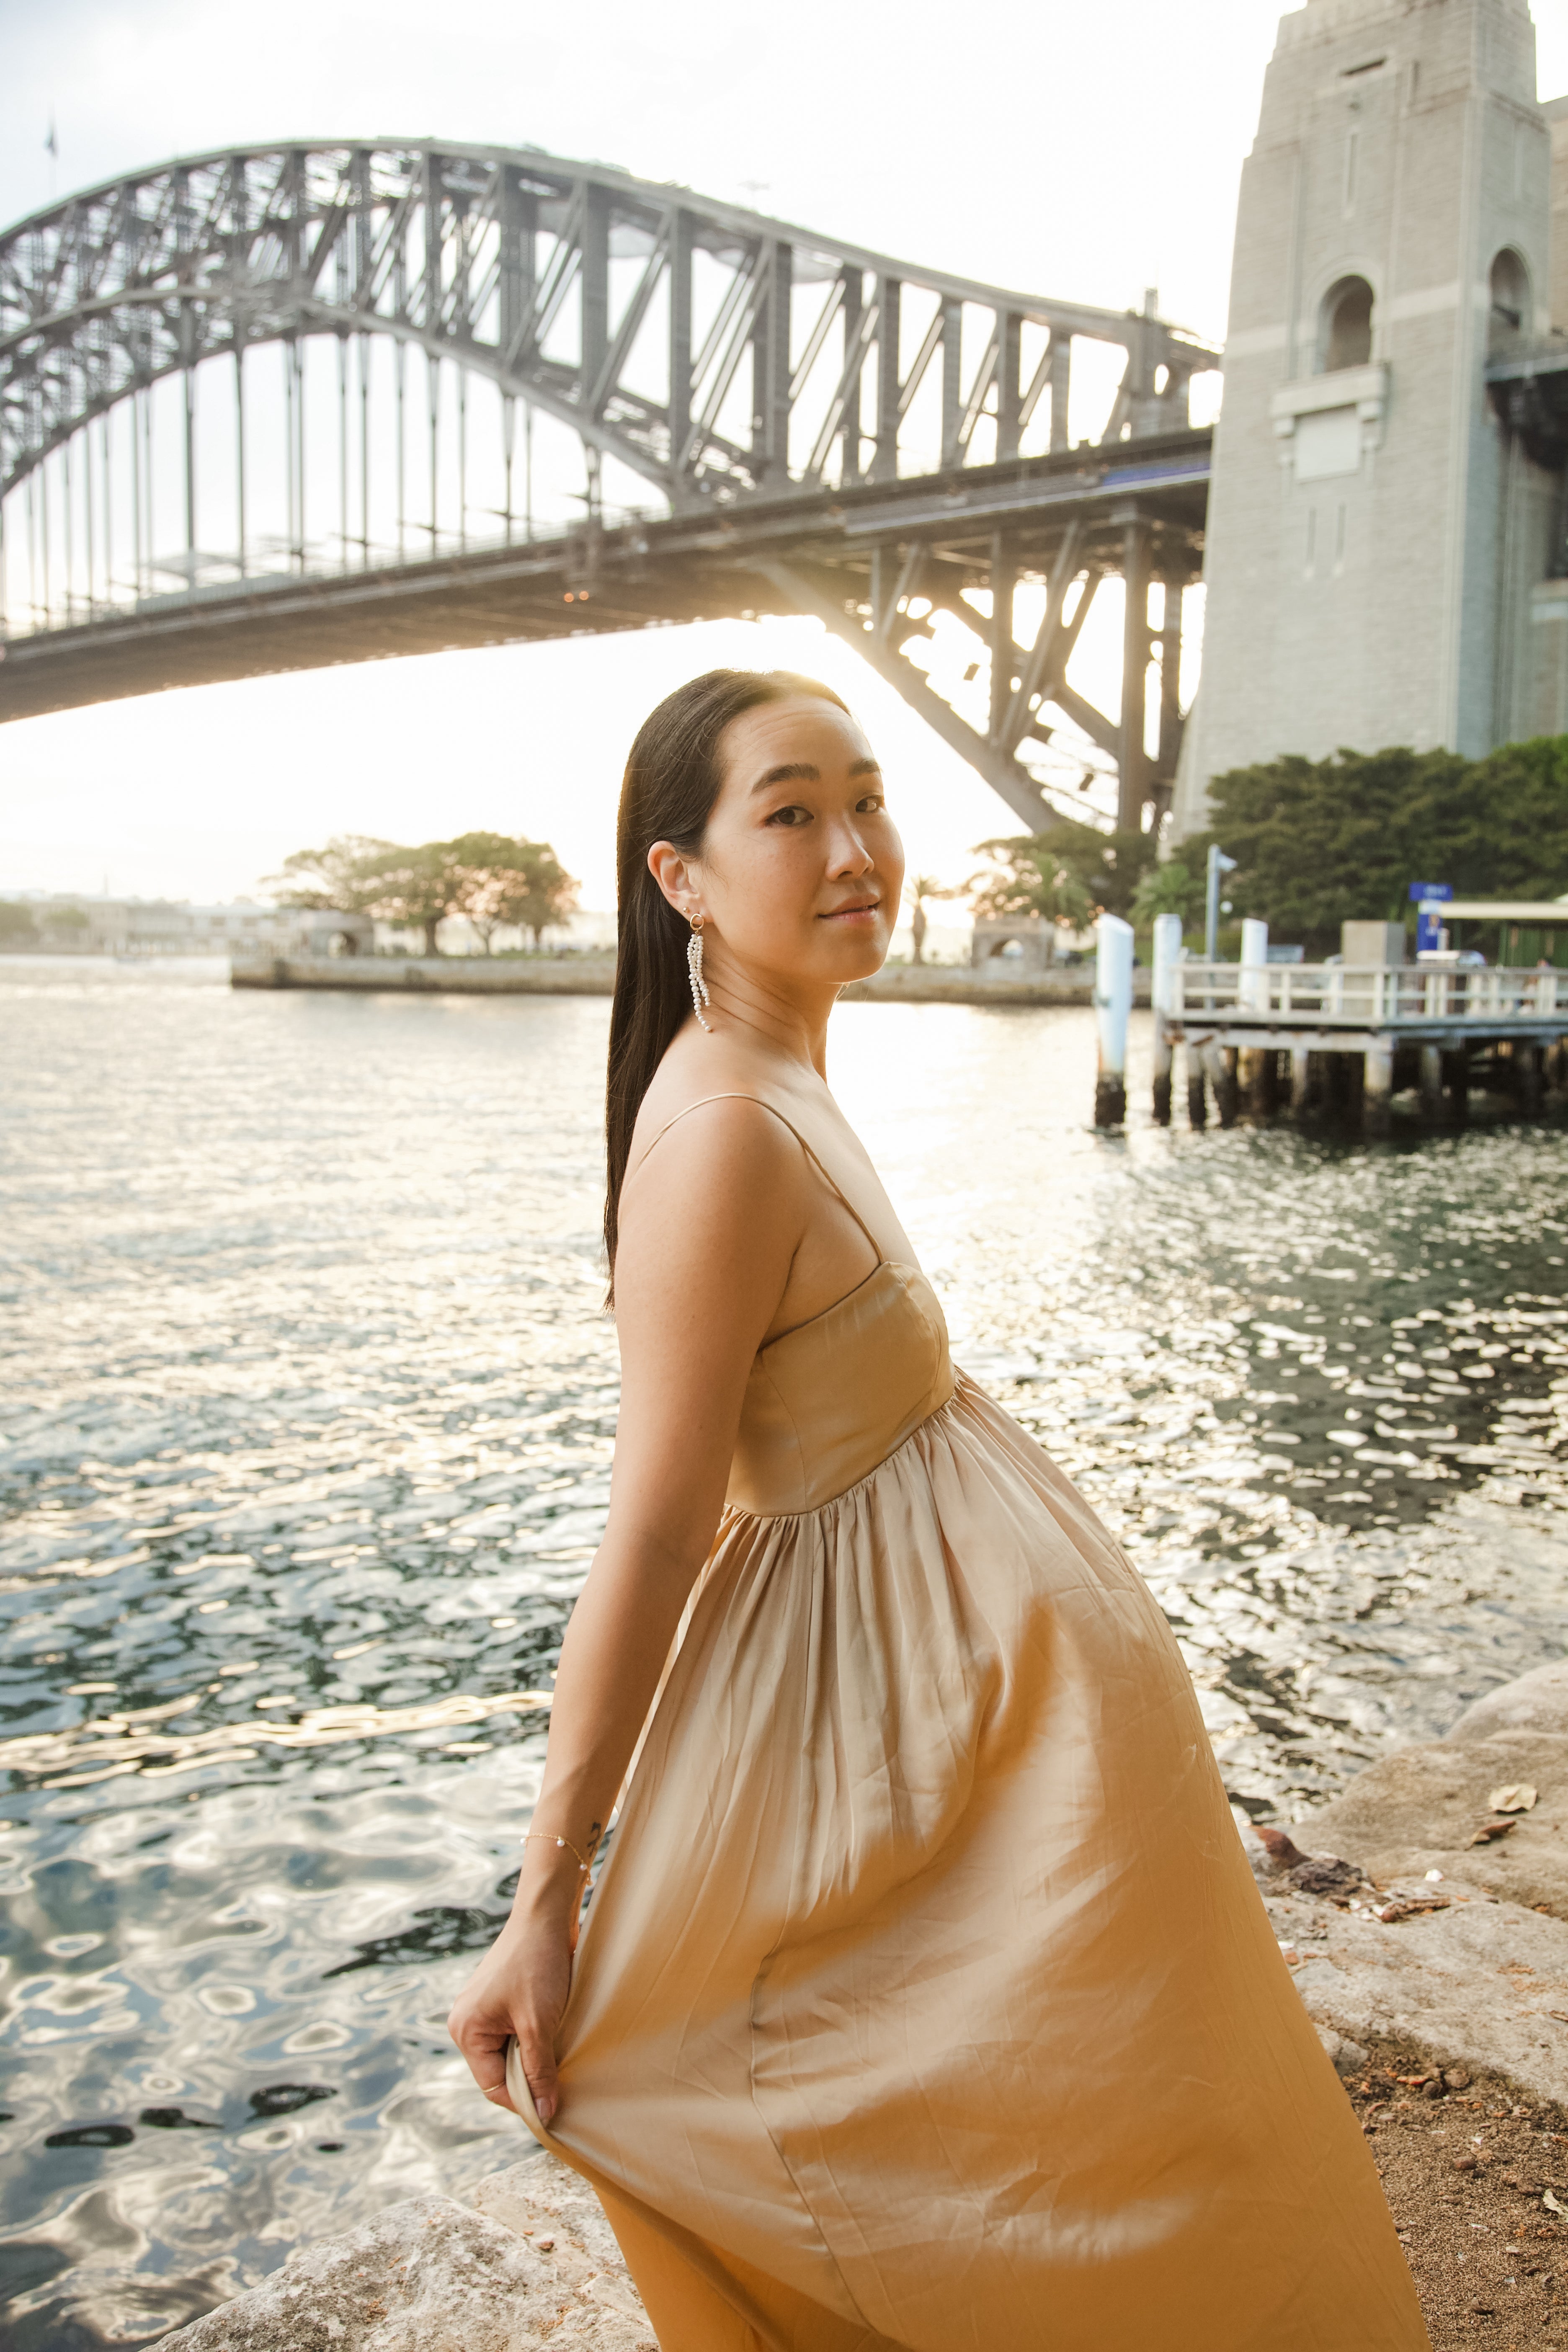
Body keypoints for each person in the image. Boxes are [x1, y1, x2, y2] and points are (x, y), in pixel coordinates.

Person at [449, 670, 1430, 2352]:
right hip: (927, 1751)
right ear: (680, 877)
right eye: (792, 812)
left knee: (1128, 2151)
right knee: (1067, 2182)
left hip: (996, 1740)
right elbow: (660, 1534)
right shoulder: (732, 1129)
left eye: (868, 798)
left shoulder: (784, 1072)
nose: (855, 848)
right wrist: (550, 1898)